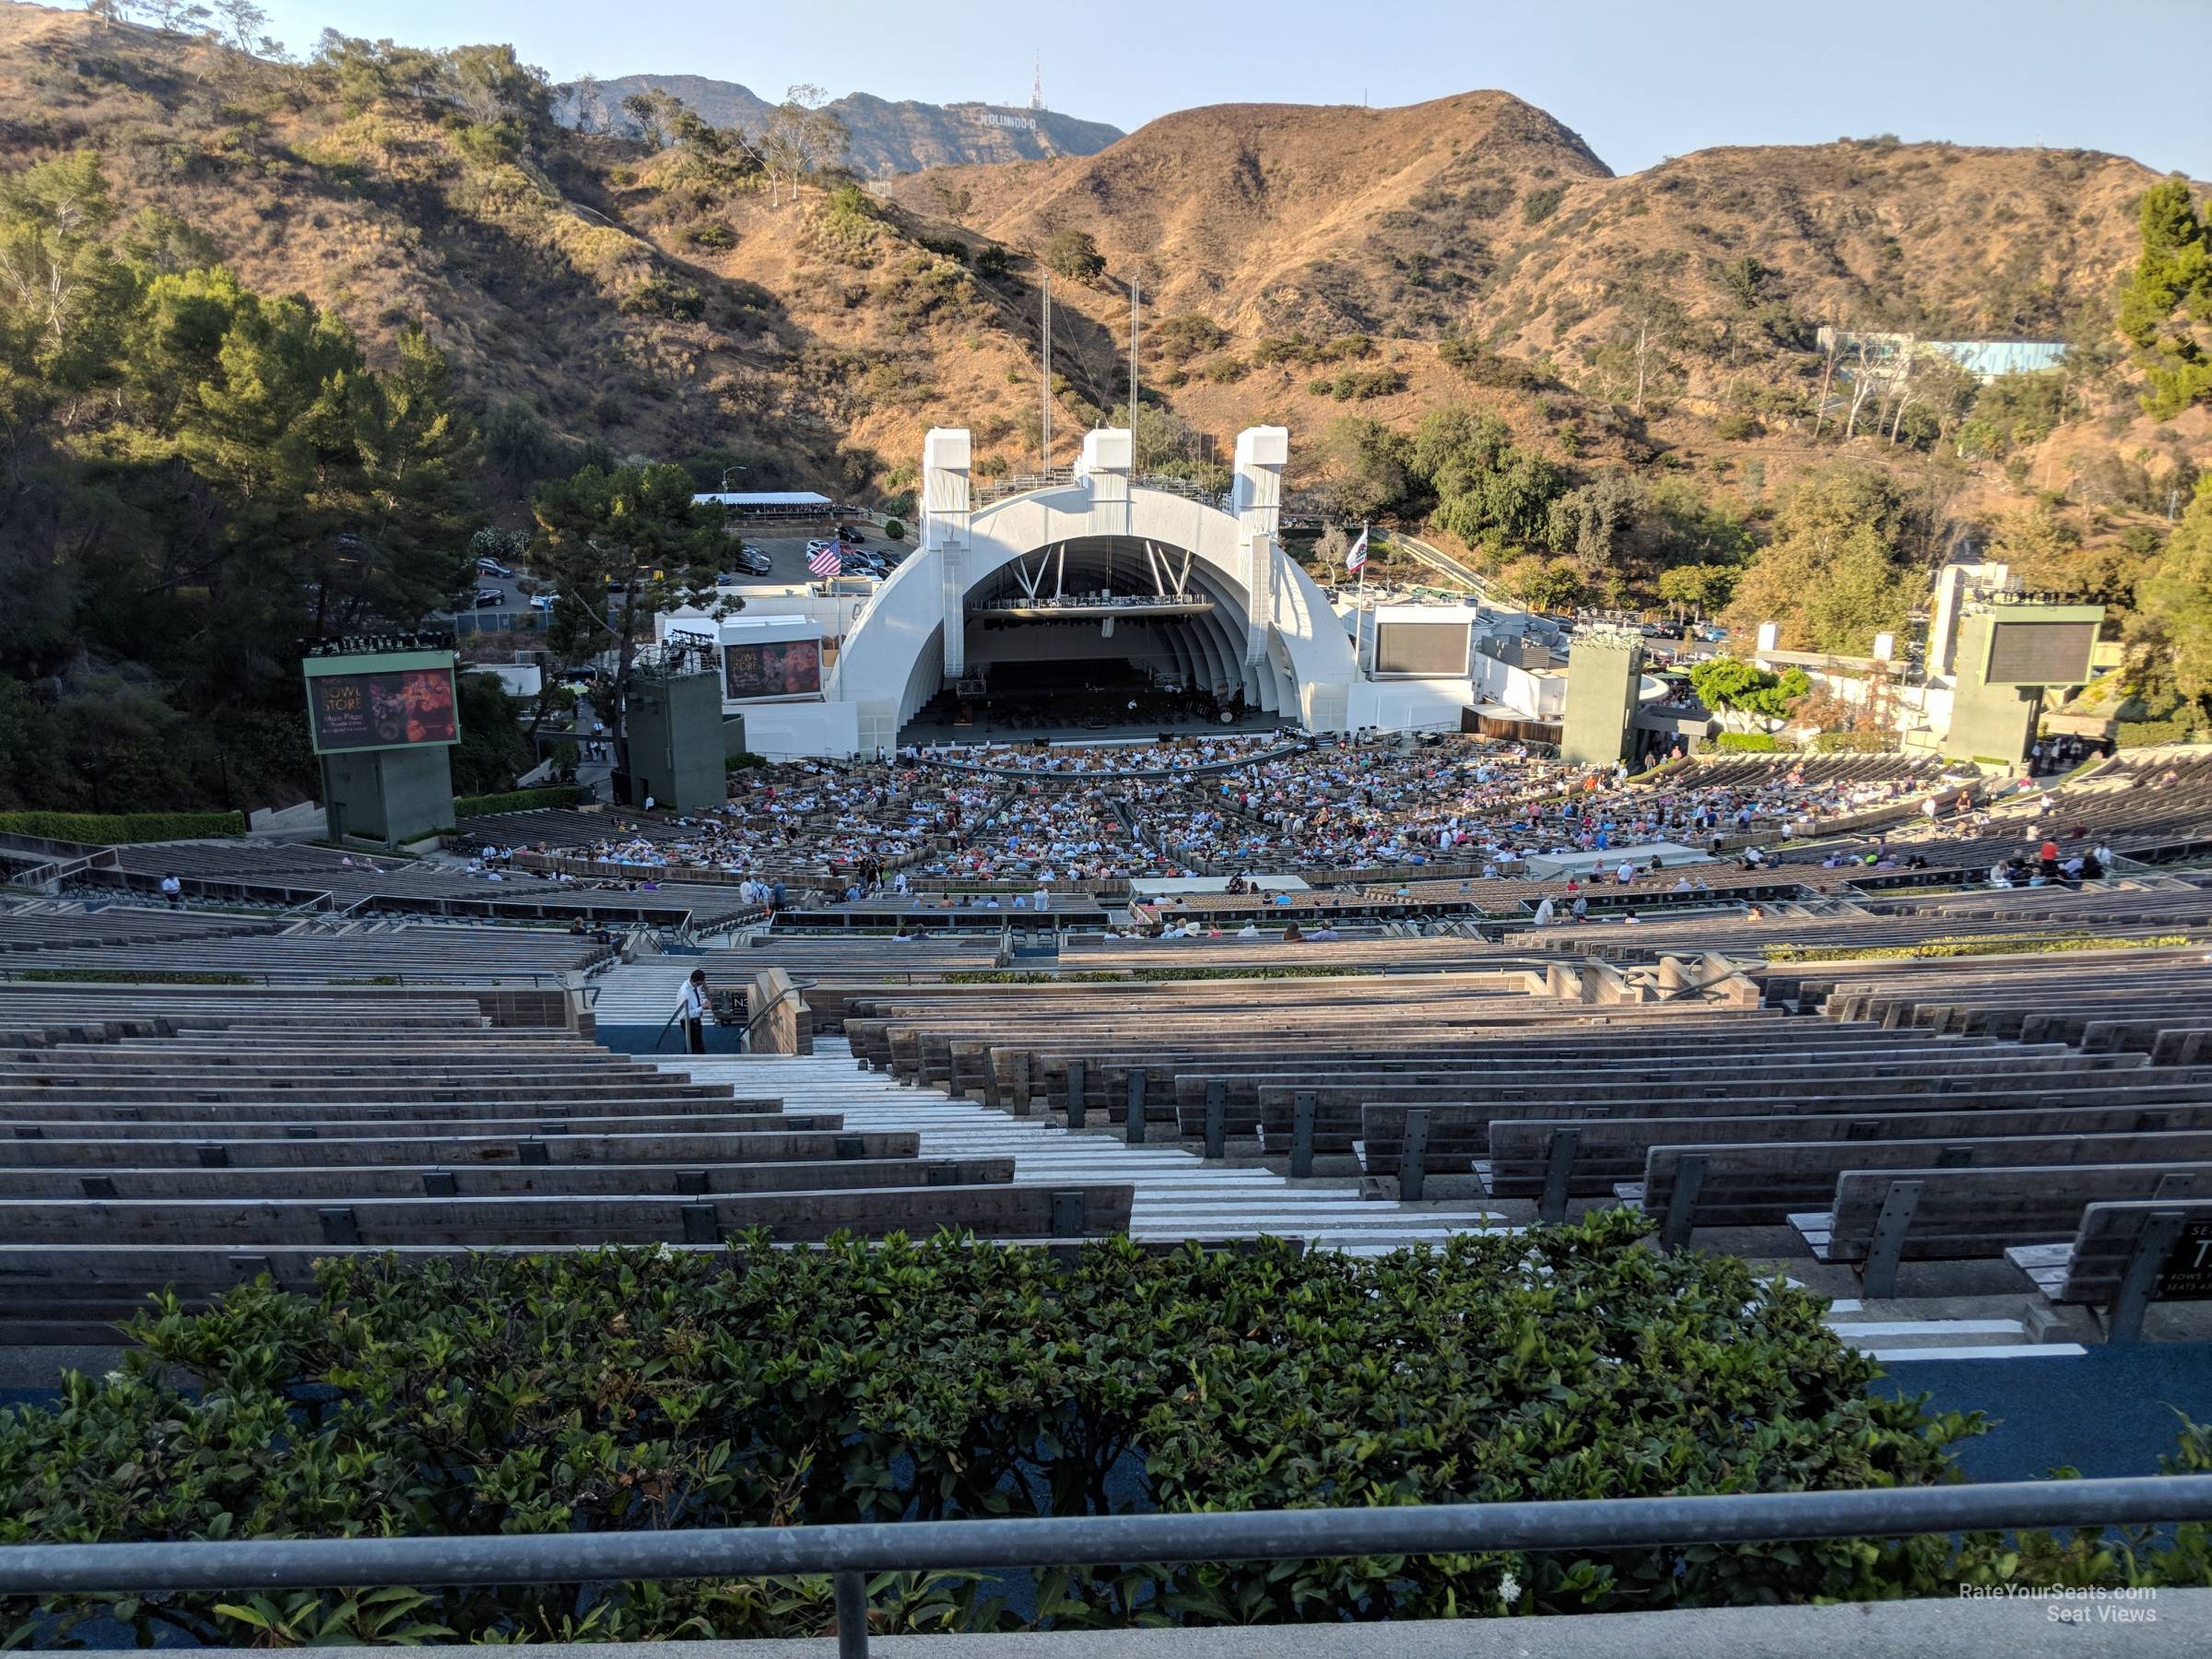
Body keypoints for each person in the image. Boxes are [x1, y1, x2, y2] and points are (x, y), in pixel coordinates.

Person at [675, 969, 709, 1055]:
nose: (699, 986)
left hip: (696, 1020)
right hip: (689, 1022)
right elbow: (684, 1015)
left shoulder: (695, 986)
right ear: (693, 980)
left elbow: (696, 999)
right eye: (698, 984)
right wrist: (702, 1008)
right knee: (696, 1046)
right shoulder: (685, 992)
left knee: (696, 1044)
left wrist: (703, 1002)